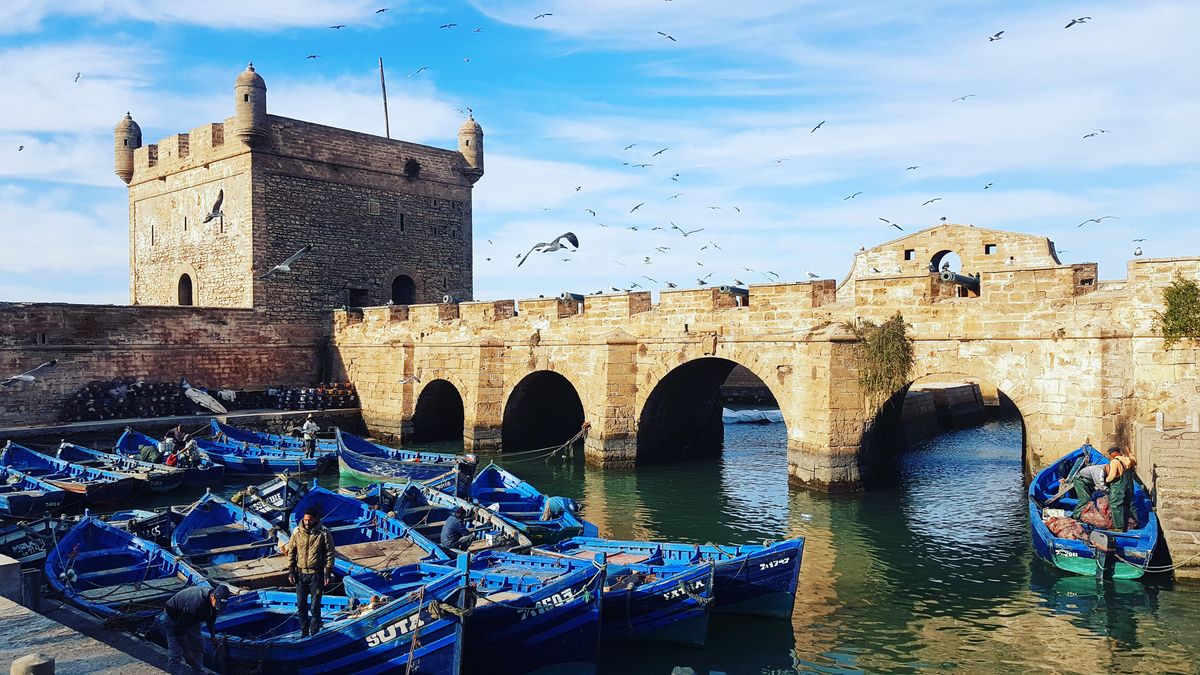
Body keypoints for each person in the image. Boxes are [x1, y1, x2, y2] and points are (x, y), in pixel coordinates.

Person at [159, 584, 231, 675]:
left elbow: (212, 616)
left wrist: (213, 636)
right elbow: (178, 629)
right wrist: (187, 651)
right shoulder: (195, 605)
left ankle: (198, 672)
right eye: (217, 603)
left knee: (199, 645)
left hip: (192, 619)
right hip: (174, 619)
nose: (218, 606)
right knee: (176, 653)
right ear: (212, 596)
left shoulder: (215, 598)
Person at [288, 506, 335, 637]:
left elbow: (330, 553)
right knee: (301, 605)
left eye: (310, 520)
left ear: (315, 519)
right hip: (301, 573)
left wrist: (327, 572)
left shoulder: (324, 533)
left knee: (315, 606)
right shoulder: (297, 532)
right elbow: (291, 551)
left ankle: (314, 631)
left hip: (316, 574)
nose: (307, 522)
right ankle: (304, 631)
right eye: (305, 519)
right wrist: (291, 570)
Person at [1105, 446, 1137, 532]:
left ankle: (1119, 527)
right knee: (1130, 502)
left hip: (1119, 485)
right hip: (1129, 483)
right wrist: (1129, 452)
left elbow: (1111, 476)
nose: (1110, 457)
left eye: (1110, 455)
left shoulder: (1115, 462)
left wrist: (1105, 480)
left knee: (1116, 504)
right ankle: (1135, 523)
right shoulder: (1128, 459)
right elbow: (1134, 460)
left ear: (1114, 453)